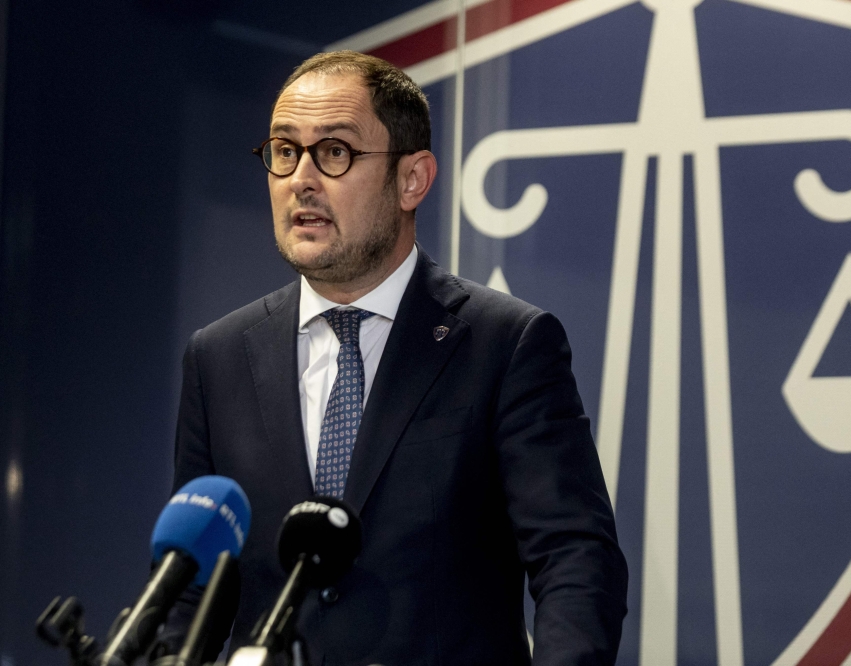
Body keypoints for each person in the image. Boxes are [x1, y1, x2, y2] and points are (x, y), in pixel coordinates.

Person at [169, 50, 627, 666]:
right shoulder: (218, 357)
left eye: (334, 152)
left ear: (412, 179)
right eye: (284, 151)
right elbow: (193, 590)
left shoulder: (504, 343)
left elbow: (575, 558)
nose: (301, 178)